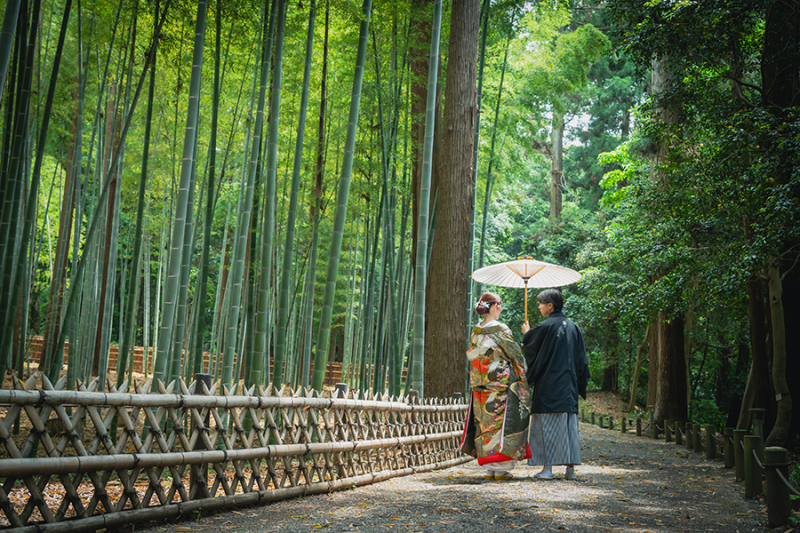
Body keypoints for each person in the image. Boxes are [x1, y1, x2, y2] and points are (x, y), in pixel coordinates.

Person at [461, 292, 532, 480]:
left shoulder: (476, 330)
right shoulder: (500, 329)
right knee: (501, 424)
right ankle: (500, 469)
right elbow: (514, 354)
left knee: (484, 424)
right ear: (493, 307)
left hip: (479, 382)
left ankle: (490, 469)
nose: (500, 310)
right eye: (499, 306)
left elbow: (473, 355)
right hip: (499, 383)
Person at [521, 288, 589, 480]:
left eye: (541, 303)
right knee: (569, 427)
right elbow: (581, 360)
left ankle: (547, 469)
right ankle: (570, 471)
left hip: (549, 385)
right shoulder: (574, 326)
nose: (539, 306)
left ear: (550, 305)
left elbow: (529, 348)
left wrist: (527, 334)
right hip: (569, 387)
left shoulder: (546, 326)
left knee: (547, 426)